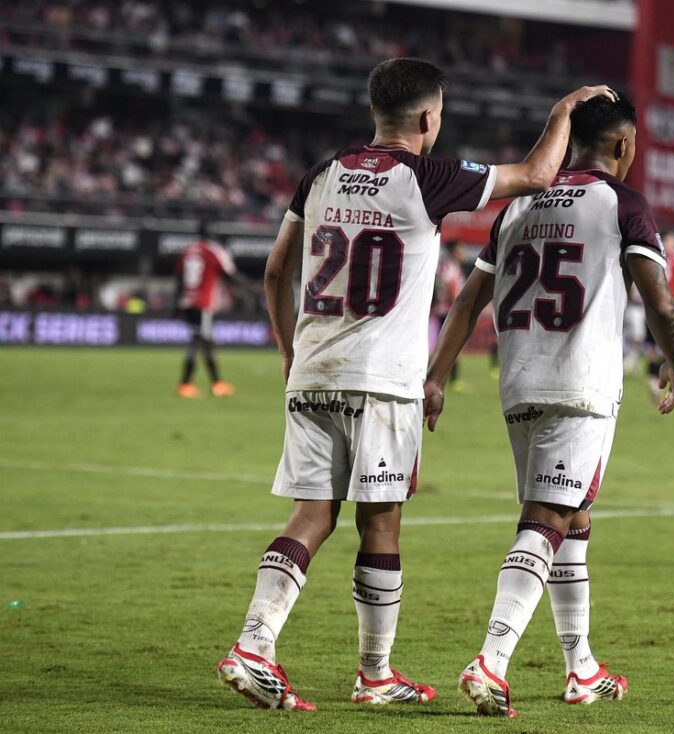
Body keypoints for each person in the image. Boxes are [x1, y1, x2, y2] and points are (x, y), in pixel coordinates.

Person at [215, 56, 616, 711]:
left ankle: (256, 643)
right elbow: (538, 174)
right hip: (382, 382)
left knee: (311, 515)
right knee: (381, 525)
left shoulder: (320, 175)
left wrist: (290, 351)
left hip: (312, 371)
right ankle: (371, 674)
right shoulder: (429, 177)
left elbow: (274, 271)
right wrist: (563, 112)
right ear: (429, 117)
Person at [423, 94, 674, 717]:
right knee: (547, 515)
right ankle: (491, 659)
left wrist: (438, 376)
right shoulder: (623, 204)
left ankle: (582, 667)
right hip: (581, 385)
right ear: (623, 146)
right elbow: (660, 302)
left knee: (574, 517)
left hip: (518, 381)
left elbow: (468, 303)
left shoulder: (518, 204)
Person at [175, 226, 239, 398]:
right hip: (203, 304)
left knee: (201, 340)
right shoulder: (213, 250)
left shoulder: (188, 251)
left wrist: (176, 303)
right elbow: (229, 273)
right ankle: (192, 384)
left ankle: (212, 383)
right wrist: (254, 286)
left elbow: (179, 278)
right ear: (210, 235)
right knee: (201, 342)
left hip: (187, 302)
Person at [645, 229, 674, 402]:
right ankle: (672, 382)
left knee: (652, 349)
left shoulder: (651, 255)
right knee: (671, 349)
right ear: (666, 241)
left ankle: (653, 385)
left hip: (650, 308)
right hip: (670, 309)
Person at [433, 240, 466, 389]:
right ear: (454, 251)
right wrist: (454, 303)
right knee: (450, 344)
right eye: (461, 248)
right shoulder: (449, 266)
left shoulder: (451, 266)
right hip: (448, 310)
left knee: (448, 344)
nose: (463, 252)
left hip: (448, 310)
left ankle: (450, 378)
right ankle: (447, 379)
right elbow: (447, 285)